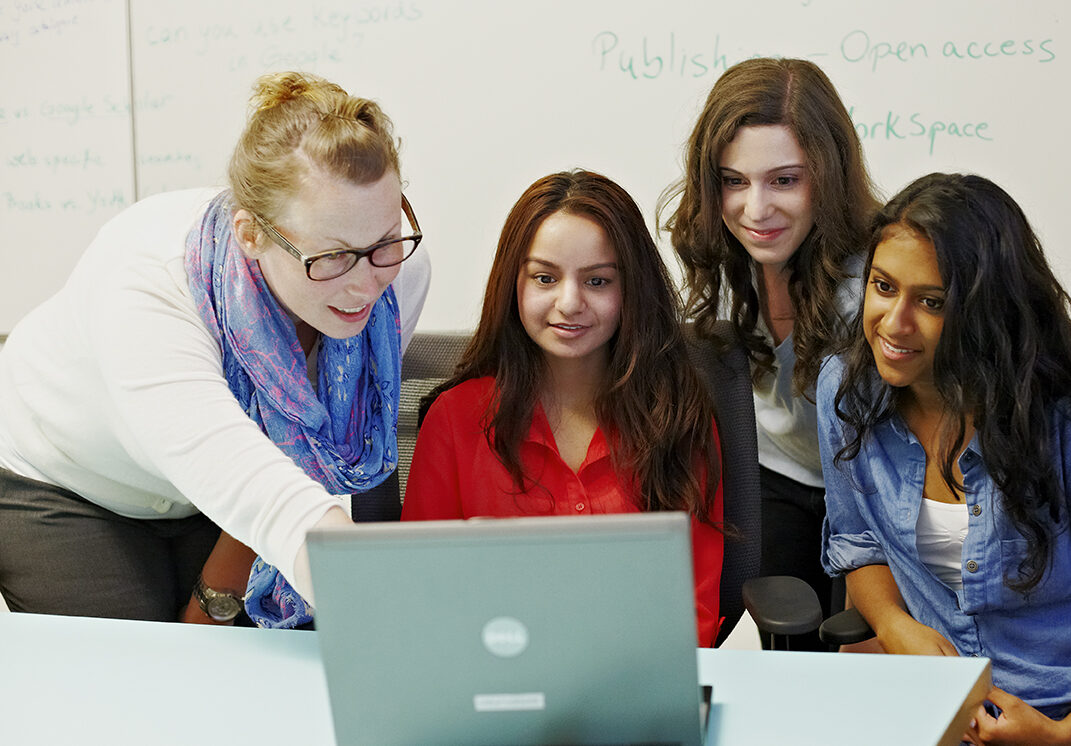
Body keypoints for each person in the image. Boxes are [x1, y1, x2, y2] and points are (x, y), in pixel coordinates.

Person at [0, 72, 430, 625]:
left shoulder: (402, 275)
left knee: (252, 662)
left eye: (385, 242)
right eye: (332, 256)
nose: (366, 284)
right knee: (132, 676)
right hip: (68, 483)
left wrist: (213, 602)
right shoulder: (148, 288)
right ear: (251, 234)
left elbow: (292, 464)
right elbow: (246, 479)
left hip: (221, 490)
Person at [818, 172, 1071, 744]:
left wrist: (1067, 731)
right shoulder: (846, 395)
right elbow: (858, 543)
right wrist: (895, 625)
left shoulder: (1069, 423)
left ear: (982, 311)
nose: (894, 324)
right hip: (947, 714)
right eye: (883, 286)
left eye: (931, 302)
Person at [402, 170, 724, 646]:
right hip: (495, 688)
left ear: (631, 289)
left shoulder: (676, 417)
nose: (569, 302)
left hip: (635, 692)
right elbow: (422, 598)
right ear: (513, 284)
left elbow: (692, 607)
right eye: (544, 277)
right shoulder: (453, 418)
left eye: (597, 280)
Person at [660, 57, 880, 649]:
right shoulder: (723, 258)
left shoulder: (876, 285)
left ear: (828, 177)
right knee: (763, 644)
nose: (755, 210)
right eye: (734, 181)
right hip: (772, 478)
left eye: (785, 180)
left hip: (868, 489)